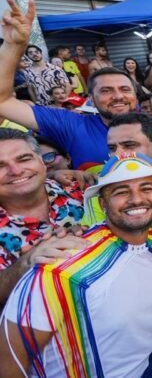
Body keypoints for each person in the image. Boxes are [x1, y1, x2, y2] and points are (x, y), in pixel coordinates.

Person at [0, 152, 152, 377]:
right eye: (121, 192)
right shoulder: (62, 267)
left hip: (148, 366)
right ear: (102, 203)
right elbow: (10, 355)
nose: (136, 199)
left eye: (147, 188)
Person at [0, 0, 152, 171]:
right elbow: (3, 102)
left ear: (135, 94)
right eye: (106, 90)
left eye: (124, 89)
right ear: (90, 98)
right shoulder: (71, 125)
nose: (118, 96)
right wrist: (13, 46)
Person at [0, 129, 87, 301]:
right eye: (0, 166)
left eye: (24, 159)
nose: (16, 171)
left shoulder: (83, 190)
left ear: (41, 162)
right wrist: (25, 264)